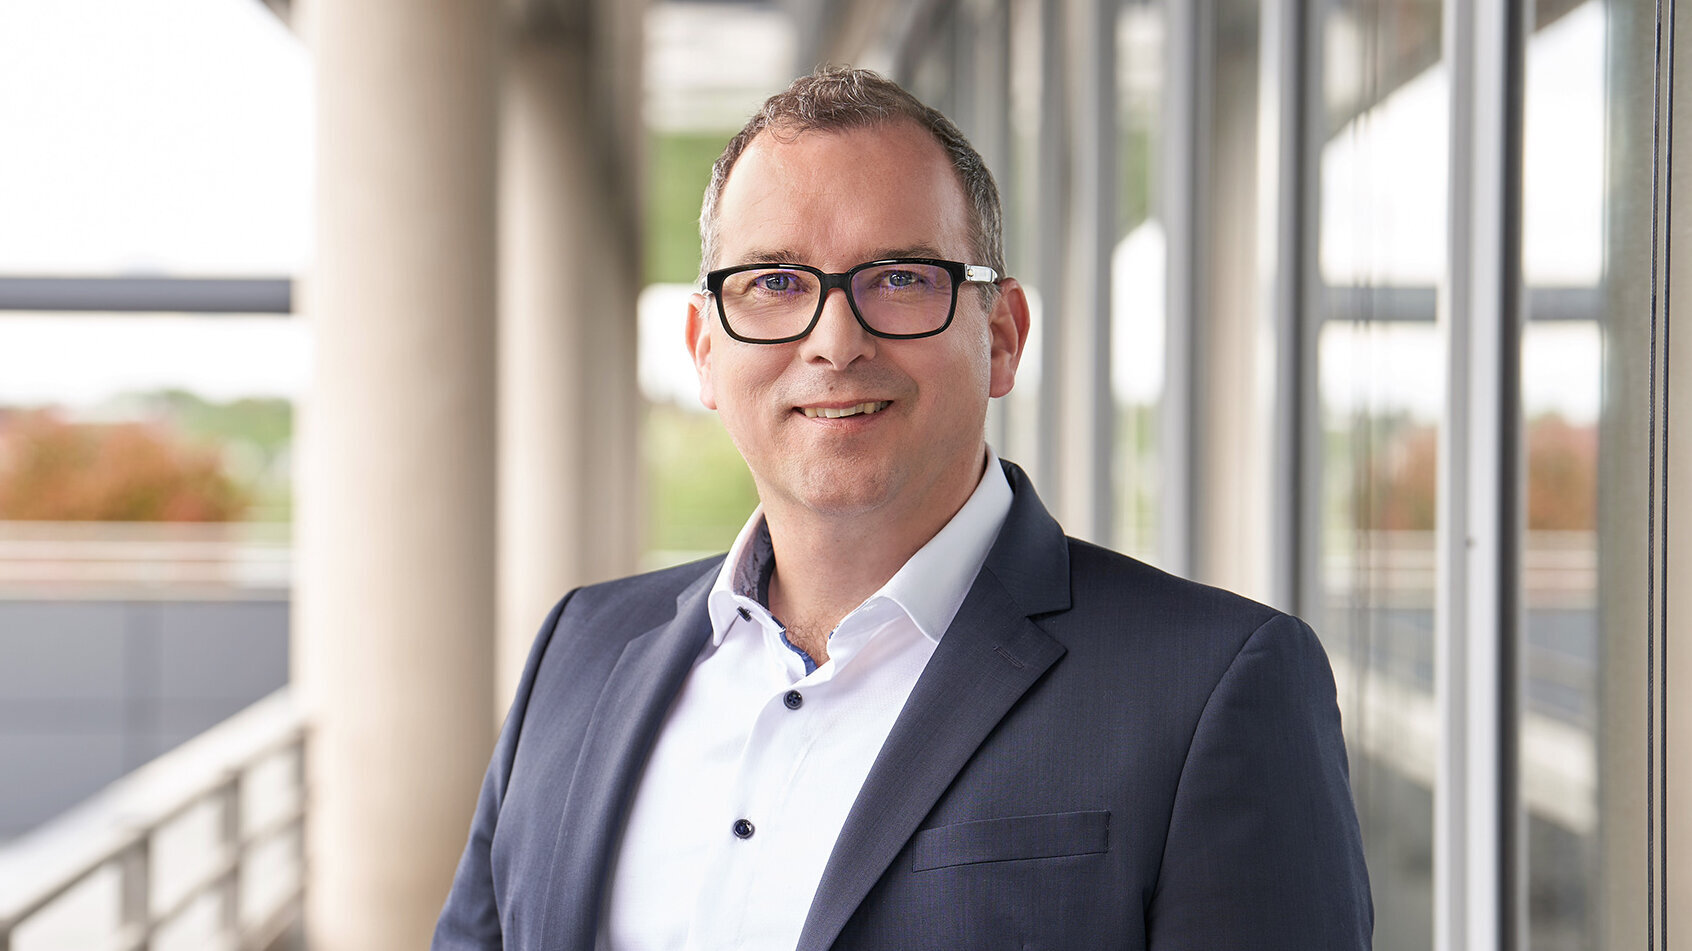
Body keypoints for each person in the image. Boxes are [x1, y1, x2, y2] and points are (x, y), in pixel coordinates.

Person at [433, 66, 1371, 951]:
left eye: (900, 279)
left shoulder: (1214, 688)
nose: (835, 341)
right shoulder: (579, 648)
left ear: (1001, 336)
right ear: (705, 348)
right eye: (774, 283)